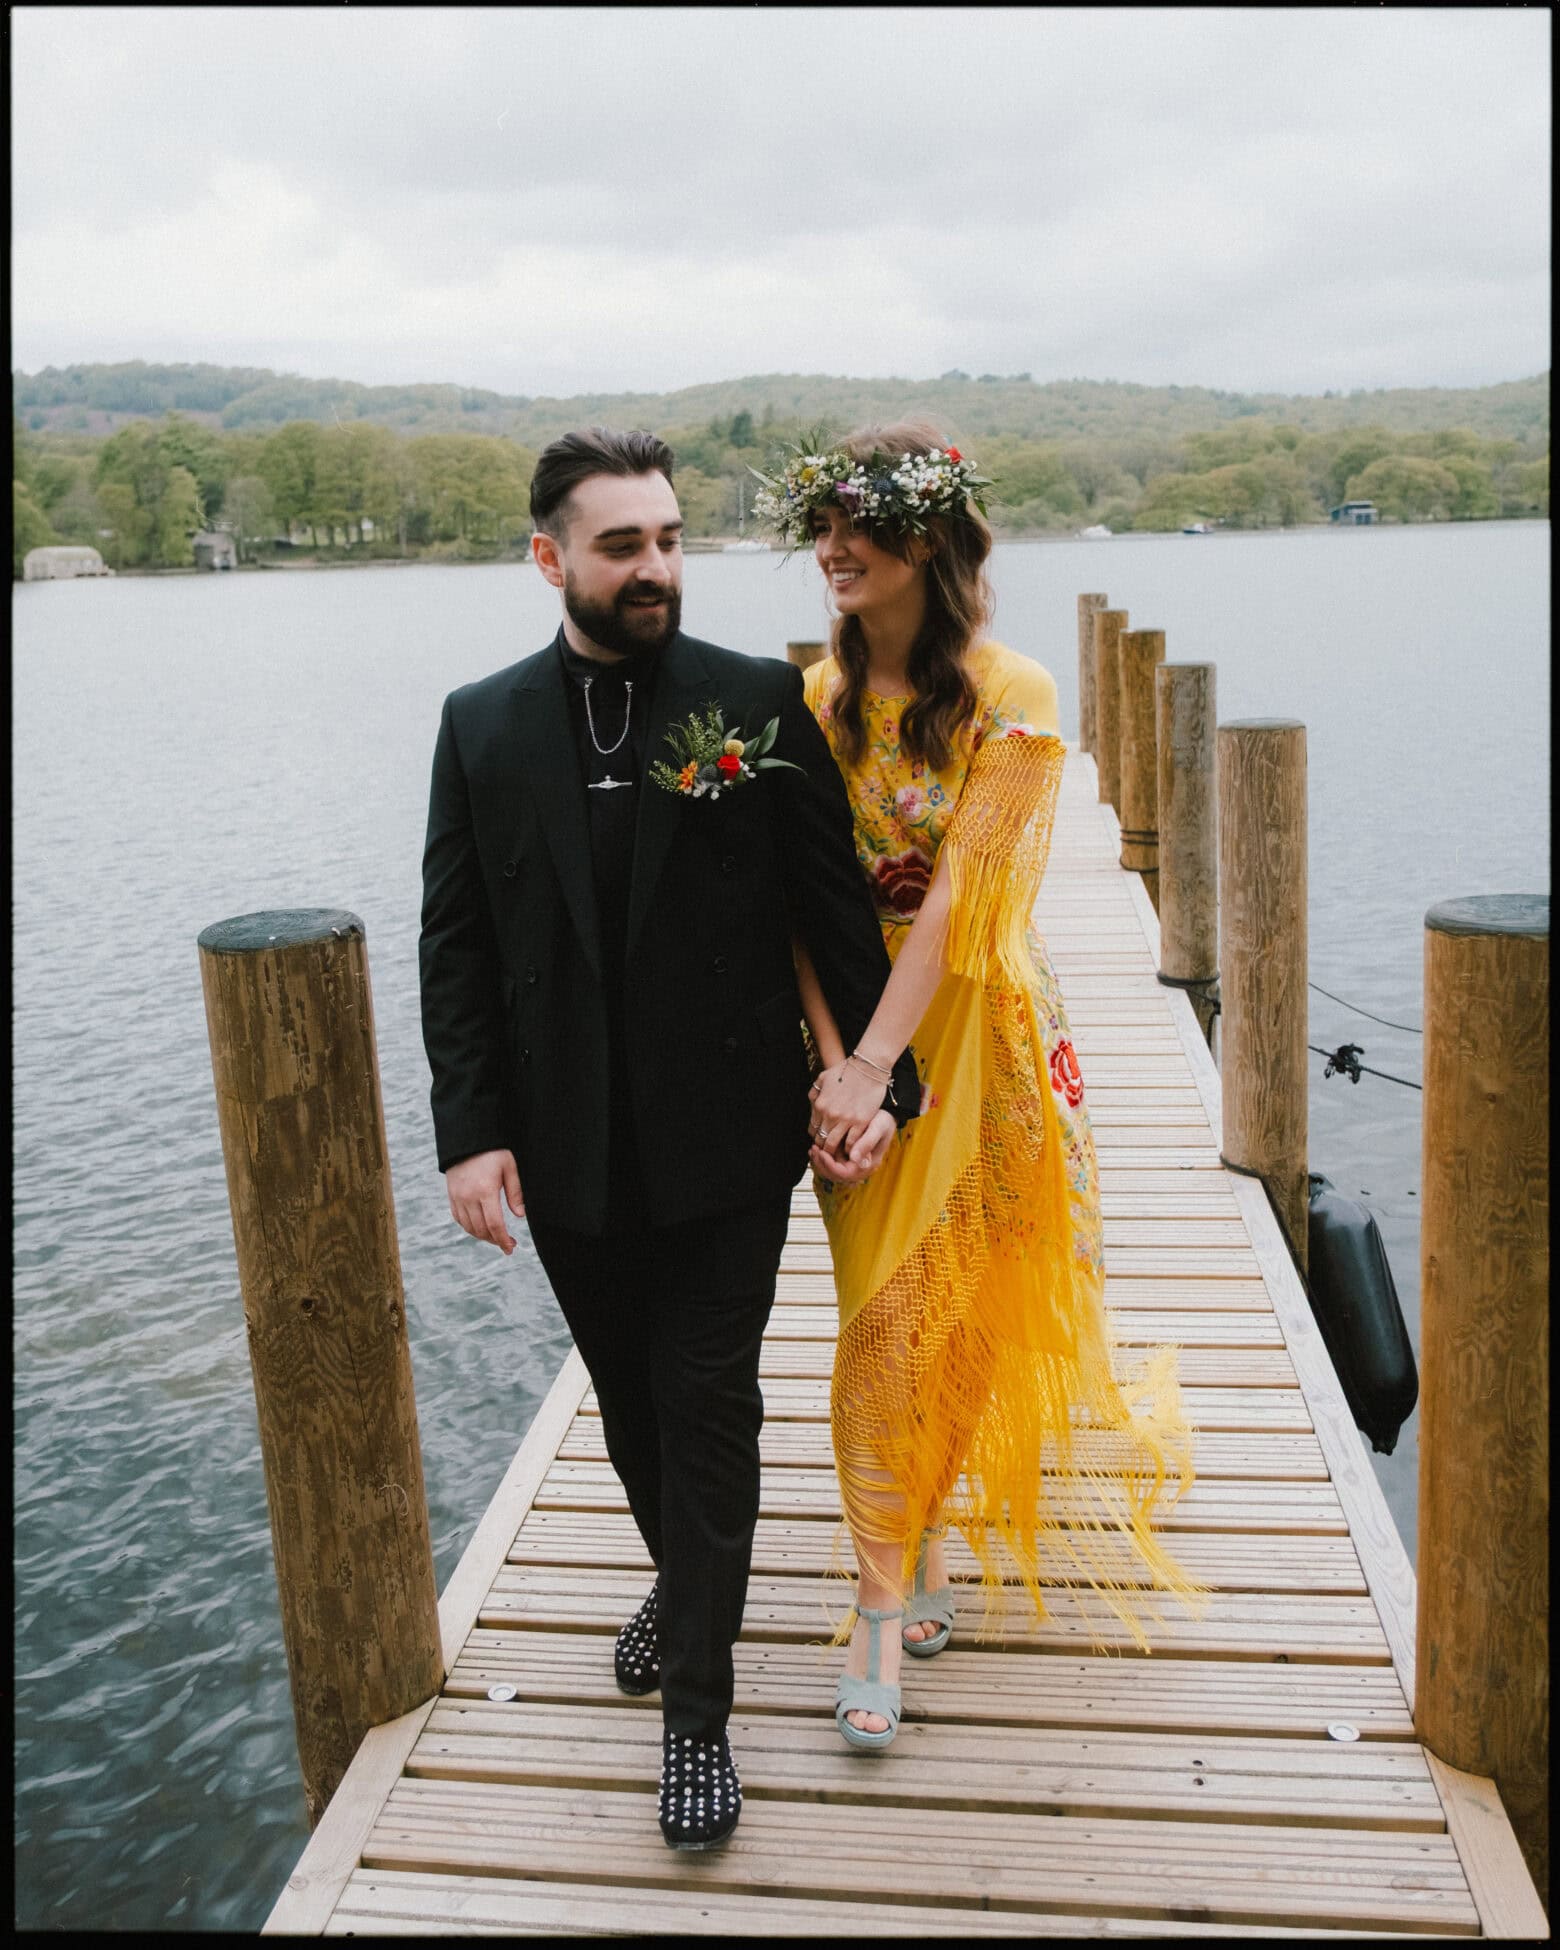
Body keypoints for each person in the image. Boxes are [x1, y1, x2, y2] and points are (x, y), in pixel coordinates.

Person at [418, 427, 919, 1847]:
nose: (656, 567)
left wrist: (885, 1078)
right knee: (636, 1413)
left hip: (724, 1147)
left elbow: (831, 905)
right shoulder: (481, 723)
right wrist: (470, 1133)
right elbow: (453, 944)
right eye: (624, 544)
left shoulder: (755, 700)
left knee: (708, 1415)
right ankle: (680, 1581)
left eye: (673, 538)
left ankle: (695, 1720)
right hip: (564, 1154)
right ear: (548, 557)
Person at [751, 421, 1205, 1748]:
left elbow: (965, 895)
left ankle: (893, 1577)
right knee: (874, 1311)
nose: (830, 551)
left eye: (857, 527)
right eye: (818, 528)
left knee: (955, 1303)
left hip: (979, 1029)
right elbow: (794, 896)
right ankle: (888, 1587)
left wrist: (885, 1062)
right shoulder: (809, 700)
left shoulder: (1015, 689)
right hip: (852, 1030)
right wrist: (837, 1061)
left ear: (927, 541)